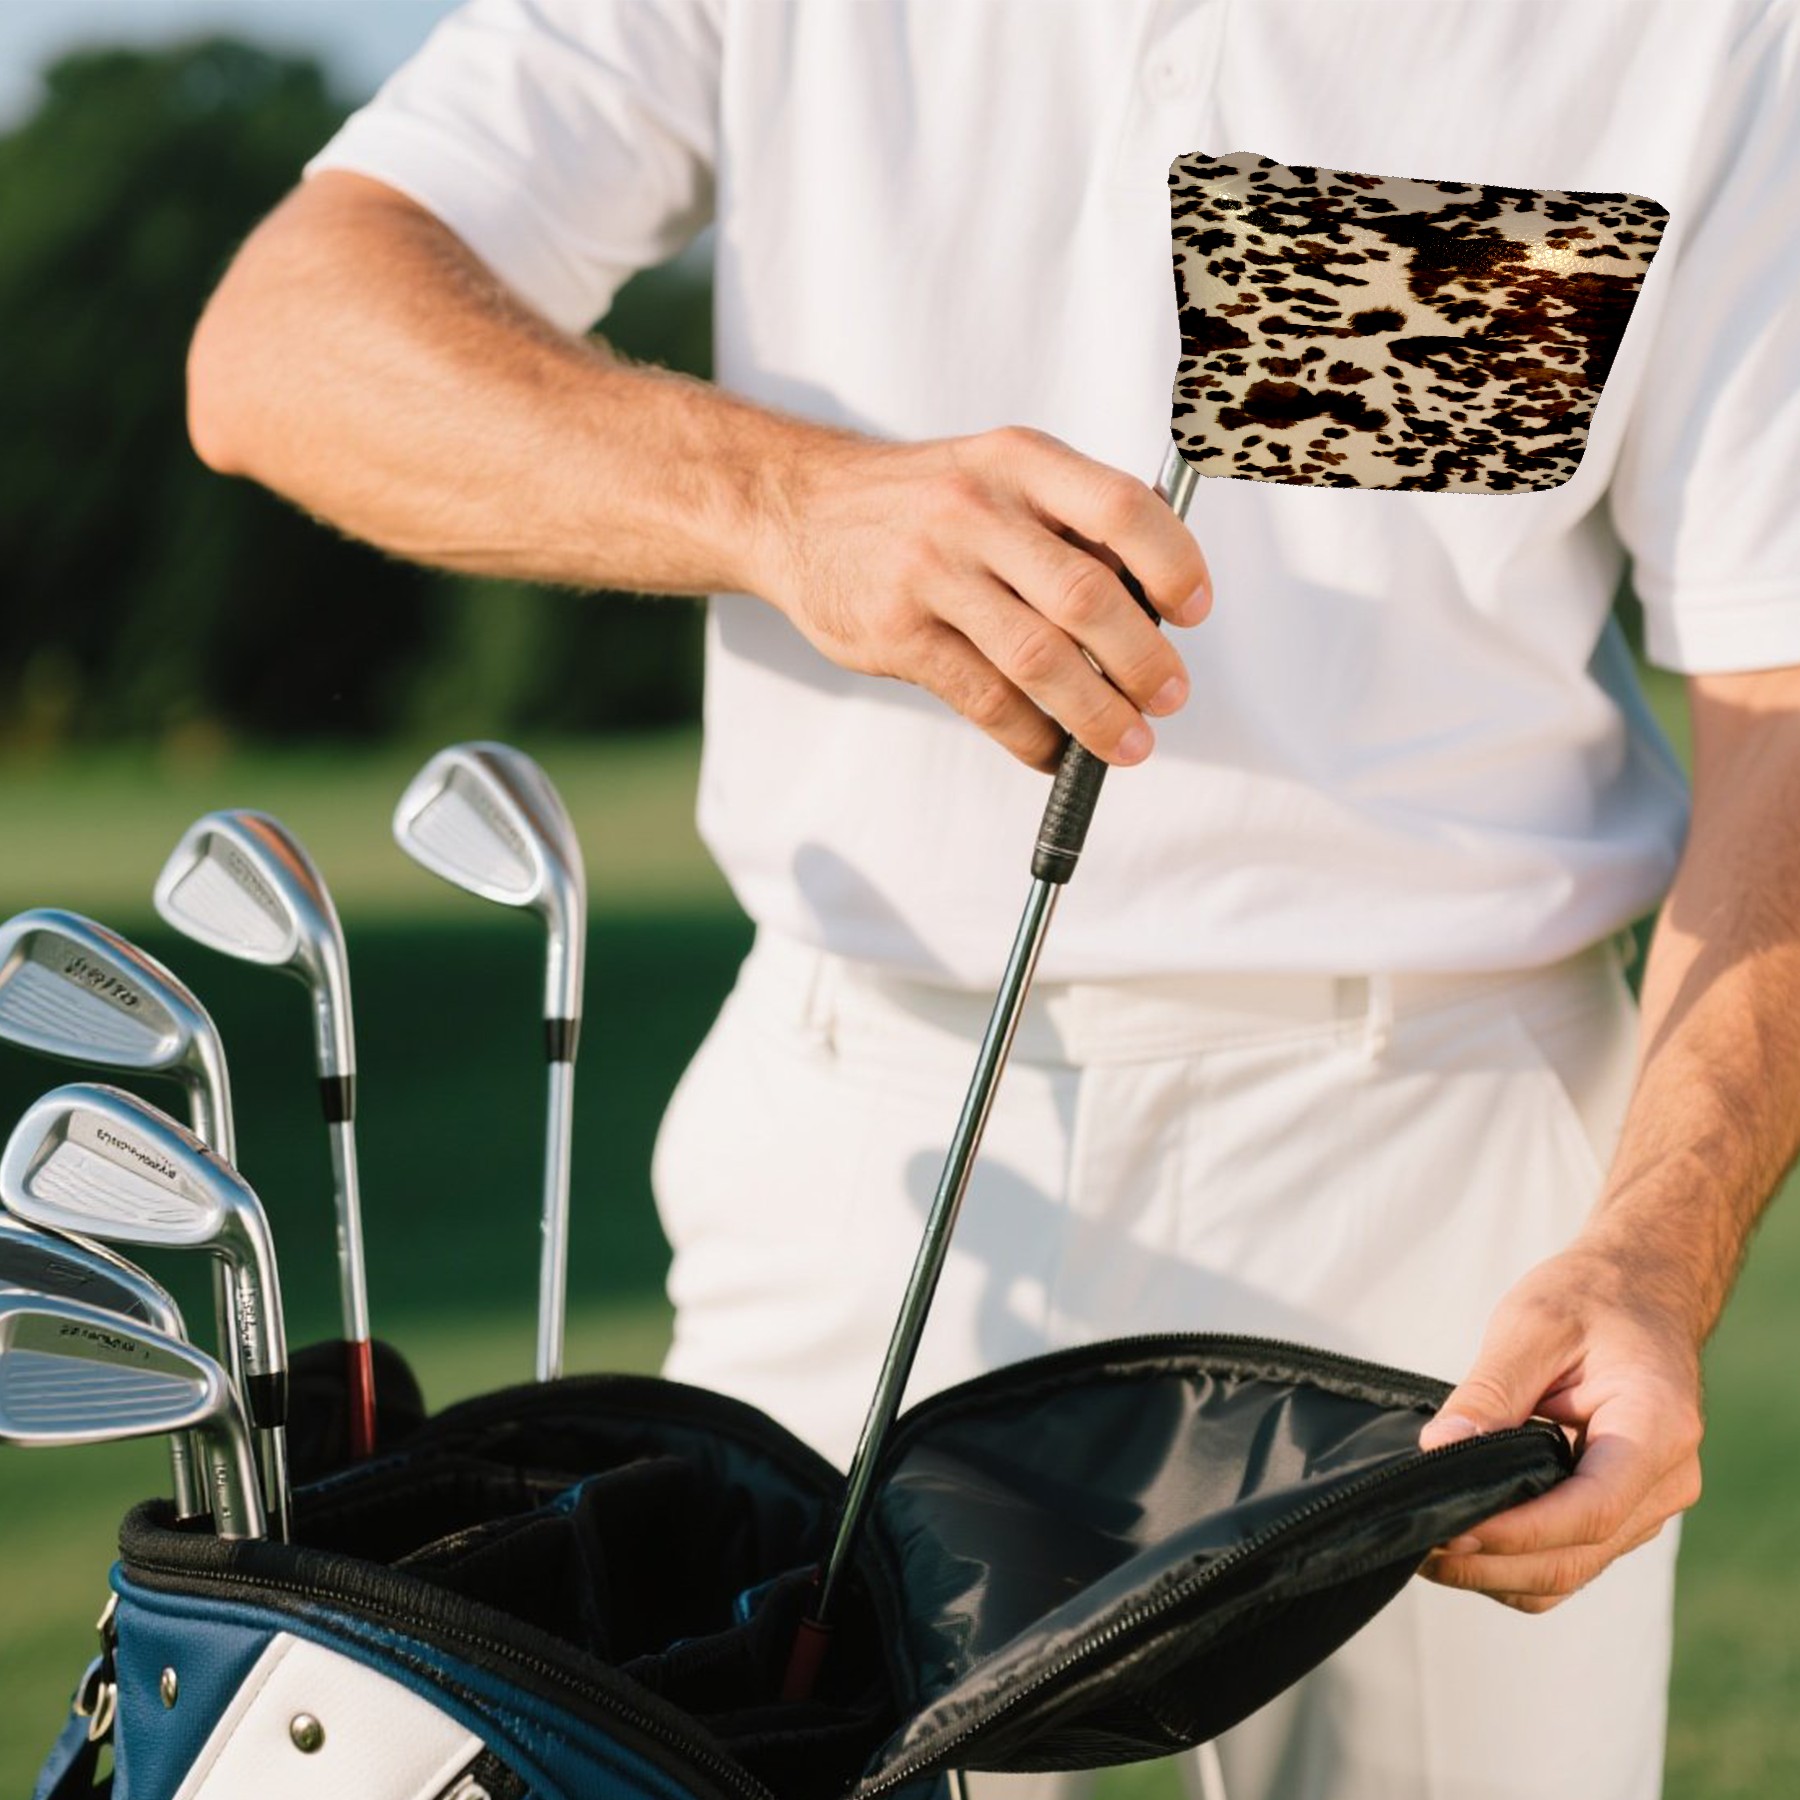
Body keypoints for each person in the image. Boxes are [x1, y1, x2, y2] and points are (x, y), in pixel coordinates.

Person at [184, 3, 1800, 1796]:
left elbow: (1785, 696)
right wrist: (790, 505)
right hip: (865, 1115)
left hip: (1455, 1159)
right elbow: (284, 341)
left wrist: (1655, 1250)